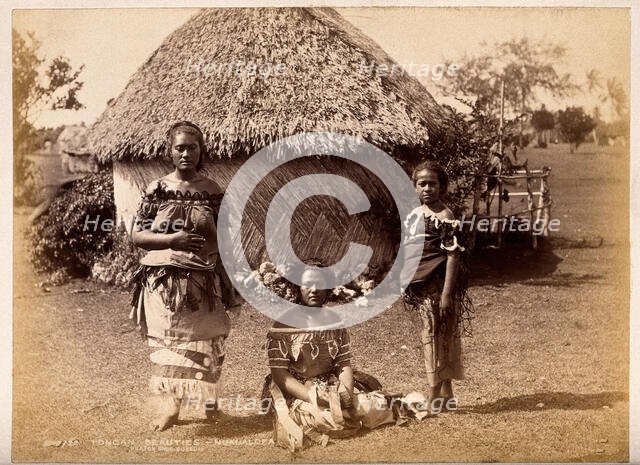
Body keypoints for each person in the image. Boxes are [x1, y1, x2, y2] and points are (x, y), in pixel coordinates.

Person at [130, 121, 236, 431]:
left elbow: (227, 236)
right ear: (169, 152)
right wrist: (172, 240)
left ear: (201, 151)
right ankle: (171, 407)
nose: (186, 152)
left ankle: (210, 404)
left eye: (192, 147)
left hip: (203, 282)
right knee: (171, 343)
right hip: (165, 284)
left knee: (210, 339)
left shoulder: (212, 191)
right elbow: (137, 235)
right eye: (180, 147)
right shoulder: (157, 188)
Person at [264, 265, 396, 451]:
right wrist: (315, 398)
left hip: (330, 385)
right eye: (307, 284)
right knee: (327, 417)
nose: (314, 290)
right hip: (298, 391)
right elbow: (280, 376)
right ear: (297, 288)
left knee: (370, 406)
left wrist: (346, 394)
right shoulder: (282, 325)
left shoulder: (335, 322)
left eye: (320, 284)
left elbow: (343, 364)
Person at [401, 160, 473, 410]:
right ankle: (447, 394)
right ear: (415, 187)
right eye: (422, 184)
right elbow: (411, 250)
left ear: (441, 187)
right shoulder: (414, 215)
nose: (427, 188)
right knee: (436, 335)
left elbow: (452, 255)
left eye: (433, 184)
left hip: (438, 286)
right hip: (421, 287)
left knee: (436, 337)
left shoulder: (445, 216)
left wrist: (446, 295)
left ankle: (433, 397)